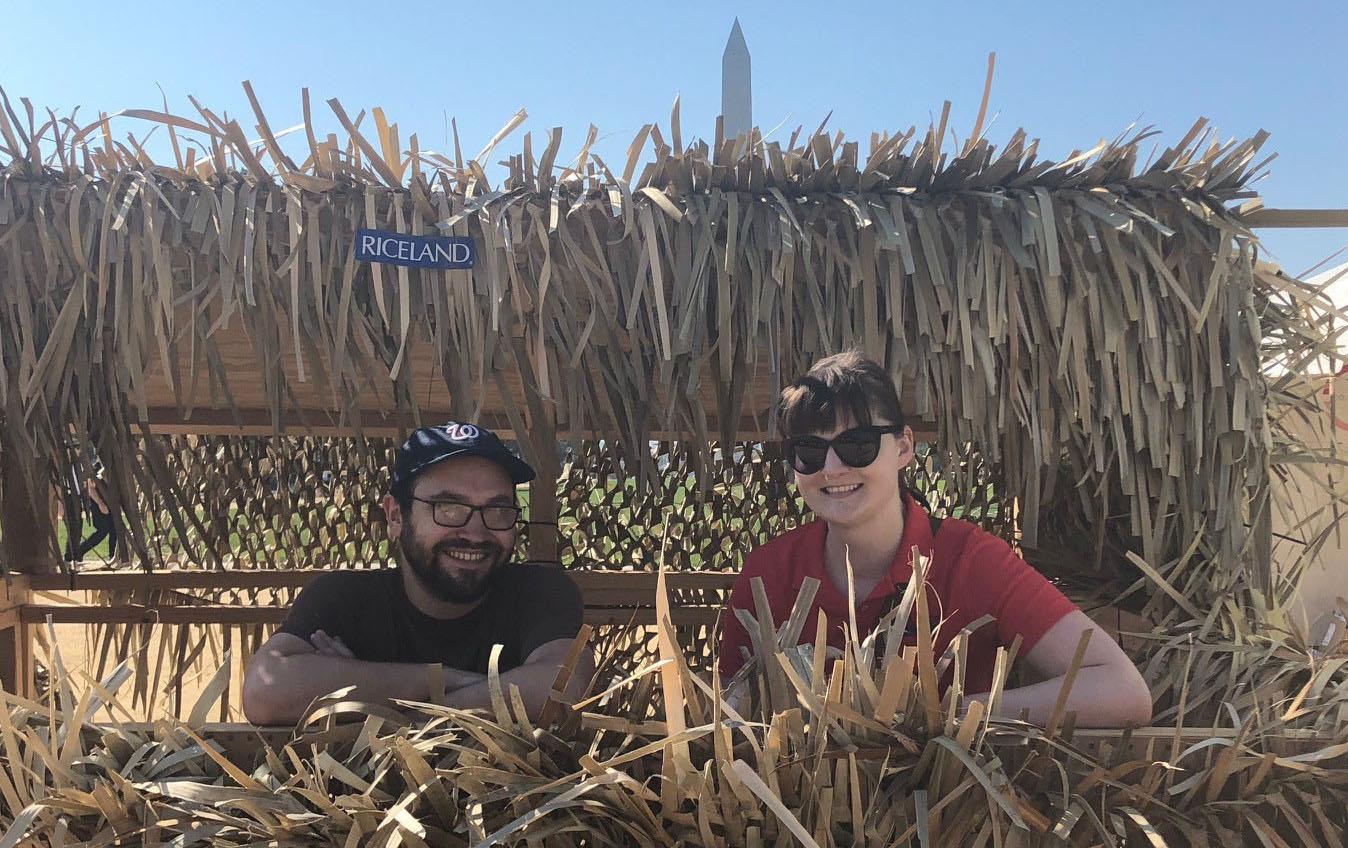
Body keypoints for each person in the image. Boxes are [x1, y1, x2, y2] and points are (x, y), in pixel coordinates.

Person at [718, 351, 1152, 728]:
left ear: (903, 448)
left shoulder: (973, 562)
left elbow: (1123, 689)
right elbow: (730, 715)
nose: (831, 468)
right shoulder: (767, 575)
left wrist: (948, 715)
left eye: (858, 445)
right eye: (809, 452)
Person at [243, 422, 594, 726]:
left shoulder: (539, 593)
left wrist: (366, 697)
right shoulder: (342, 599)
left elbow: (558, 690)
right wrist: (453, 681)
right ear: (396, 516)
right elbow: (265, 690)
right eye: (449, 508)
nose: (475, 532)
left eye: (498, 510)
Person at [68, 476, 116, 562]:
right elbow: (90, 487)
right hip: (98, 499)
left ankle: (112, 555)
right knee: (103, 530)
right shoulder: (99, 469)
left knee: (115, 530)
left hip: (110, 498)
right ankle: (79, 552)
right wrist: (100, 503)